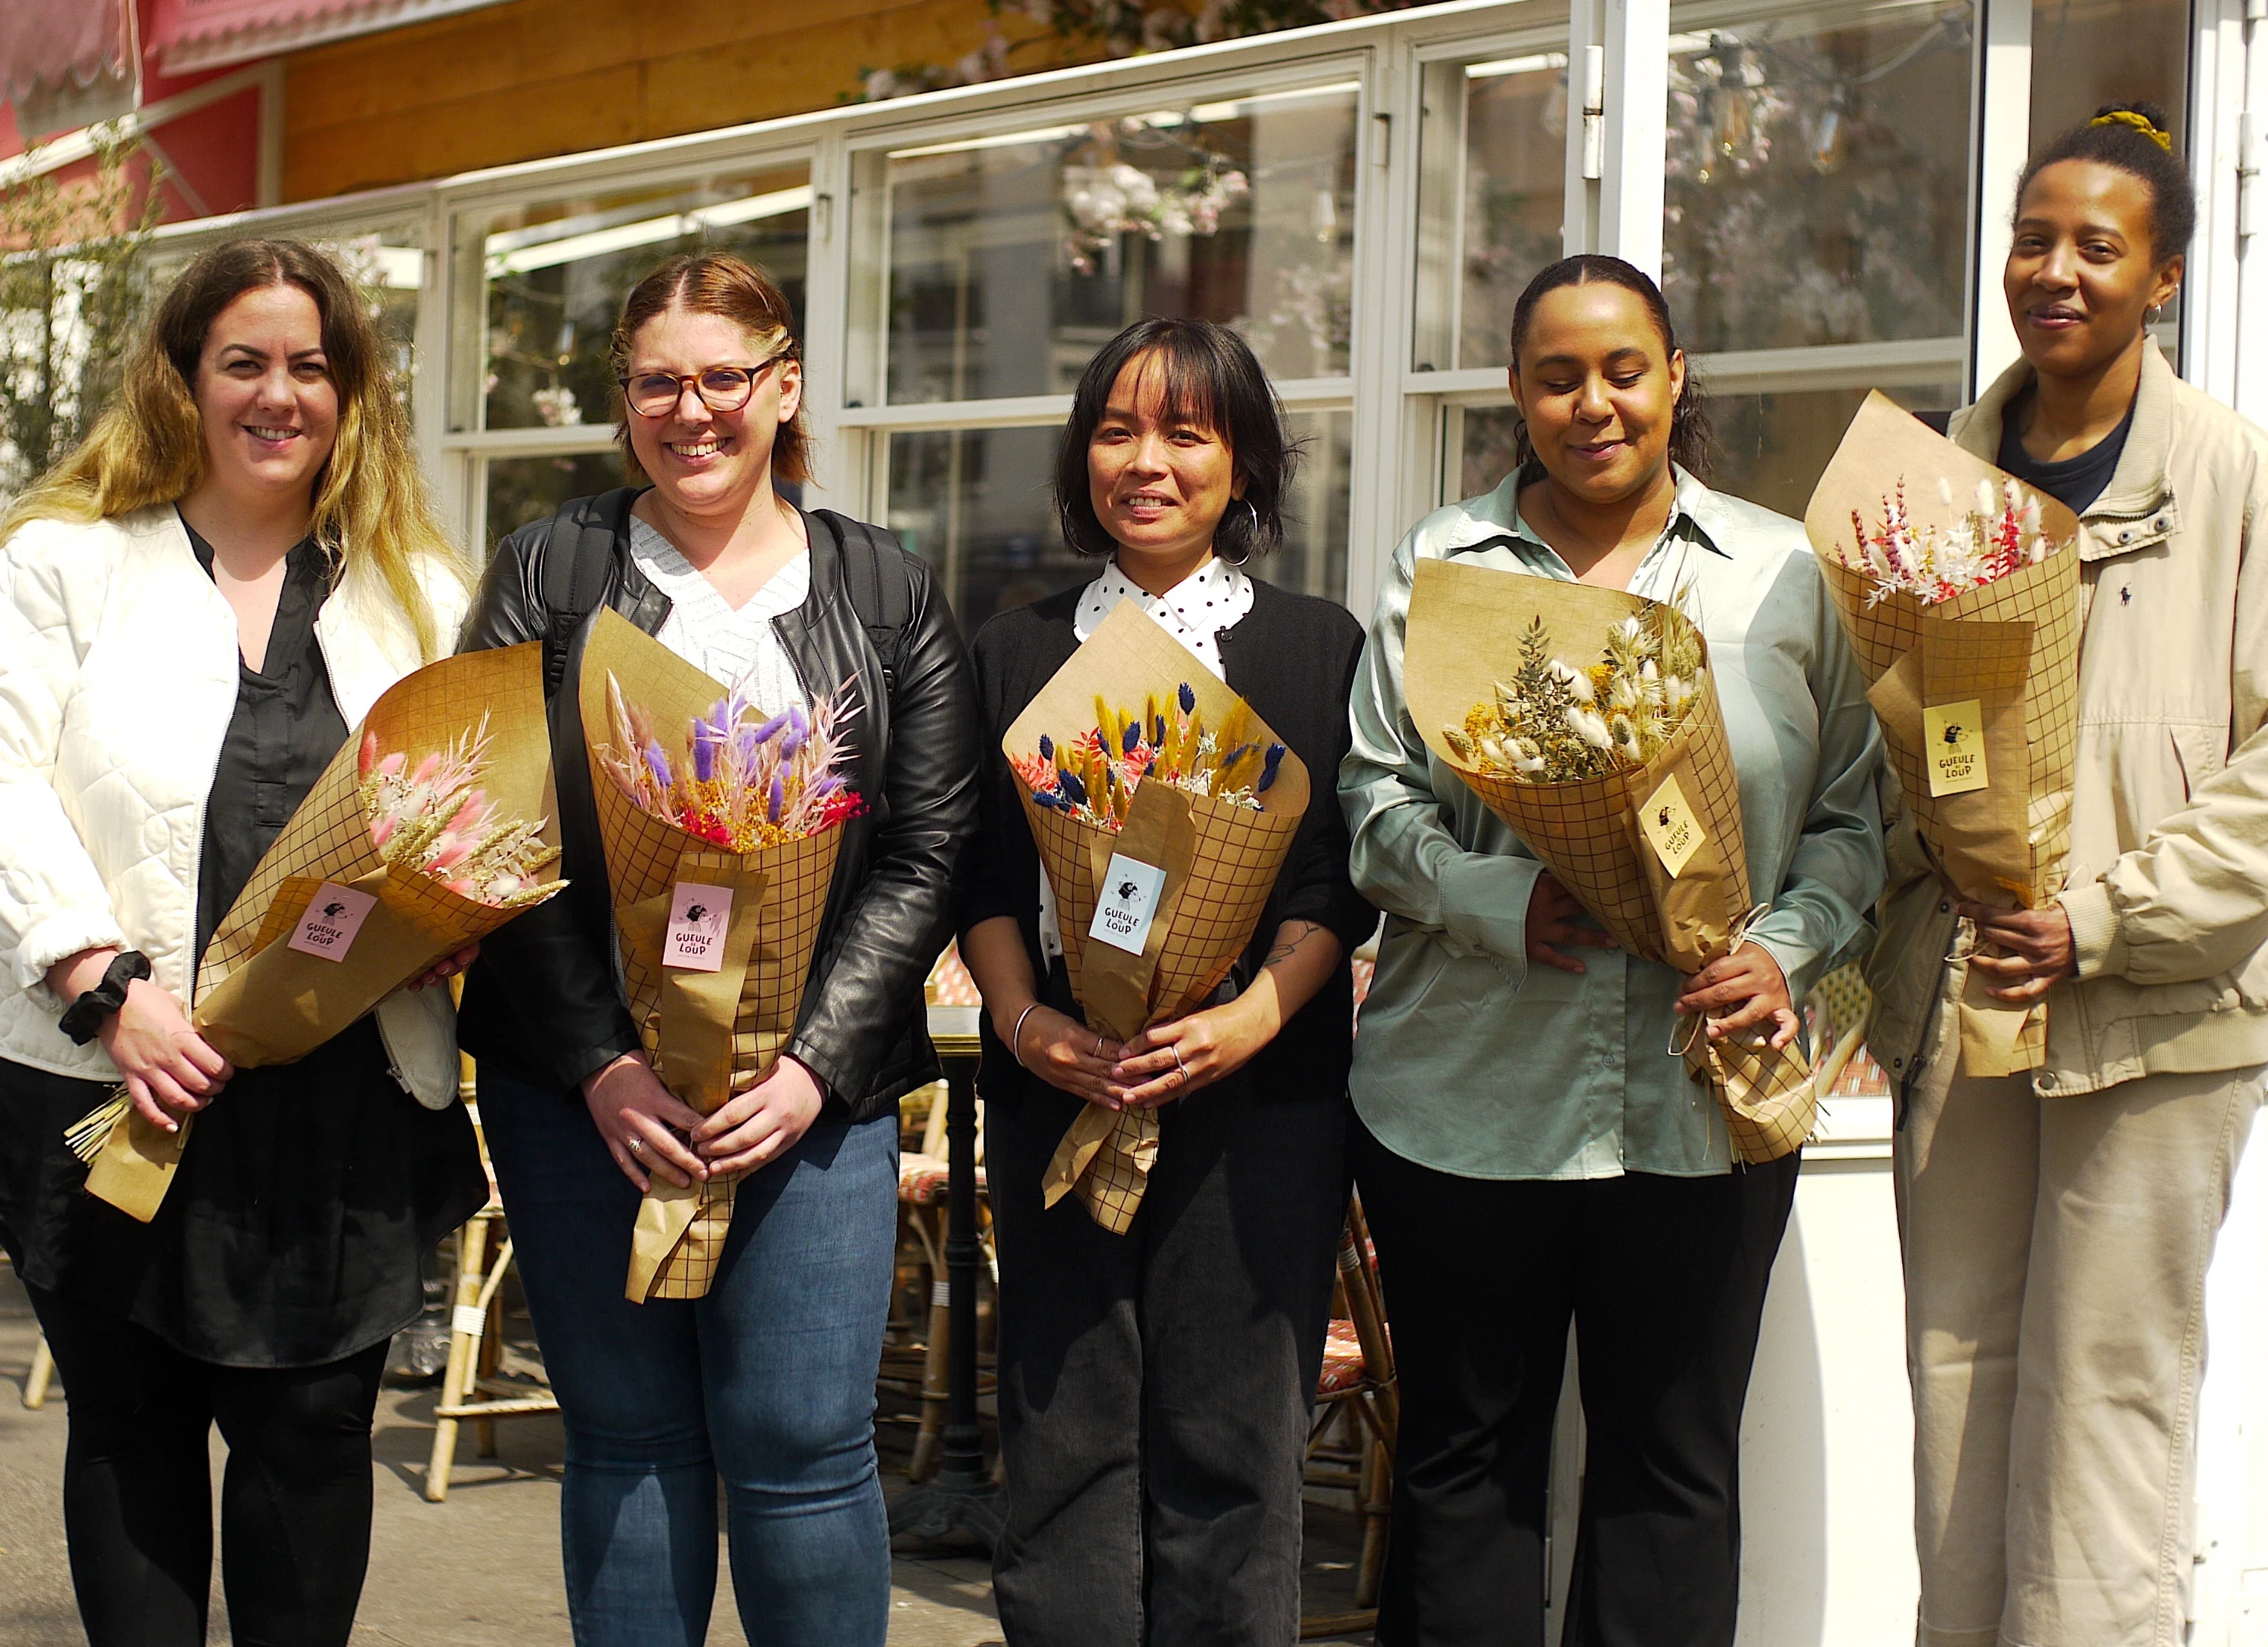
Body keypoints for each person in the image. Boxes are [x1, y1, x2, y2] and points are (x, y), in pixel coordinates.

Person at [1340, 254, 1884, 1647]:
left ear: (1676, 377)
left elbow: (1848, 821)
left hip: (1706, 1098)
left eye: (1624, 370)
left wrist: (1785, 946)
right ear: (1517, 394)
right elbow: (1374, 796)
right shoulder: (1443, 566)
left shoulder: (1781, 574)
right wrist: (1485, 894)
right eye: (1558, 376)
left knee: (1670, 1473)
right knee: (1465, 1462)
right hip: (1466, 1098)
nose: (1595, 403)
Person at [455, 249, 979, 1646]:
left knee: (802, 1443)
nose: (691, 412)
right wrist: (599, 1066)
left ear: (783, 384)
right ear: (623, 400)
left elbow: (927, 849)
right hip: (586, 1101)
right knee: (626, 1433)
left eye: (722, 380)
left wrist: (810, 1067)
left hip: (806, 1105)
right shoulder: (551, 570)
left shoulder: (882, 589)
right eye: (656, 384)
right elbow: (489, 828)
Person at [0, 238, 483, 1647]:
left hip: (337, 1098)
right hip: (114, 1077)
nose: (280, 395)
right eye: (245, 363)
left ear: (352, 394)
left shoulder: (418, 592)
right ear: (184, 380)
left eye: (311, 367)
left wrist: (461, 921)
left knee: (318, 1430)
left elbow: (465, 807)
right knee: (131, 1428)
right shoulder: (68, 562)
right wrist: (103, 985)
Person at [1869, 101, 2268, 1647]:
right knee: (1958, 1383)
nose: (2055, 270)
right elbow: (1896, 748)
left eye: (2097, 246)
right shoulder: (1936, 478)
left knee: (2108, 1397)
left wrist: (2101, 920)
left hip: (2157, 1015)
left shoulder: (2233, 475)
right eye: (2033, 239)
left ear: (2161, 277)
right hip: (1967, 1006)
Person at [956, 317, 1375, 1646]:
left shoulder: (1316, 647)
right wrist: (1026, 1027)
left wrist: (1249, 1018)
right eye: (1116, 428)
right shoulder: (1012, 651)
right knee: (1064, 1431)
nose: (1146, 460)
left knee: (1234, 1441)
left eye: (1186, 432)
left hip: (1263, 1103)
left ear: (1242, 460)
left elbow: (1336, 877)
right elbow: (972, 871)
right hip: (1059, 1087)